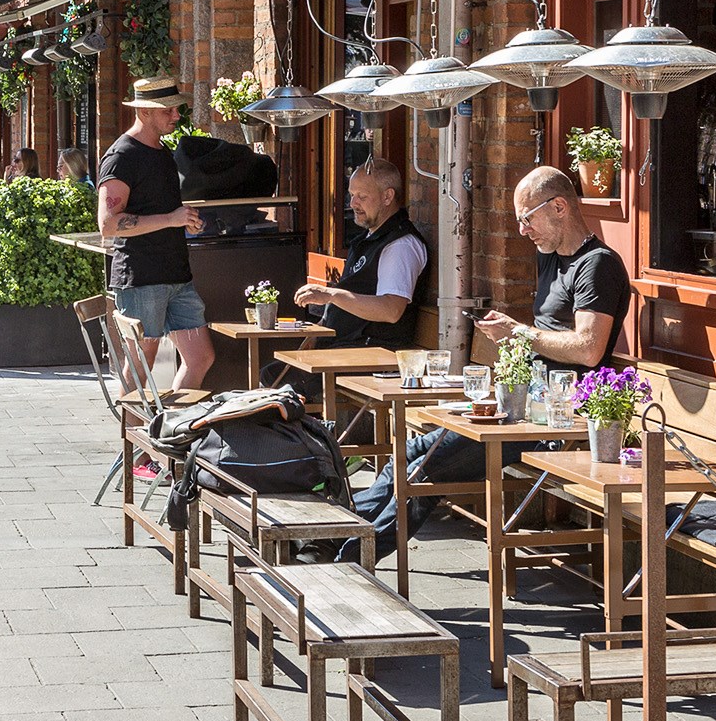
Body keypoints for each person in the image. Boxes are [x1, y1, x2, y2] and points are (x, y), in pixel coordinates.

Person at [343, 165, 634, 563]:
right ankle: (340, 528)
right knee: (409, 453)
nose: (522, 230)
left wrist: (518, 332)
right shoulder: (549, 257)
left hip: (555, 419)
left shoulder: (598, 265)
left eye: (526, 218)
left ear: (560, 207)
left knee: (427, 469)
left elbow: (588, 349)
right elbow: (547, 336)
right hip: (520, 405)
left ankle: (350, 556)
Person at [267, 158, 428, 407]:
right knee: (274, 374)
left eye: (362, 196)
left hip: (376, 355)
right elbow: (355, 291)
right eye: (352, 195)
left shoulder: (400, 246)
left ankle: (309, 444)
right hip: (347, 347)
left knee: (283, 388)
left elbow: (391, 310)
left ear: (387, 197)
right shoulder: (370, 239)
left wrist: (330, 295)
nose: (353, 203)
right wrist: (320, 327)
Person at [98, 77, 213, 408]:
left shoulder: (163, 152)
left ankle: (170, 433)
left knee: (200, 357)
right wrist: (171, 219)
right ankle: (136, 453)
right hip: (141, 278)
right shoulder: (122, 155)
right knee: (139, 367)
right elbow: (107, 224)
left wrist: (184, 220)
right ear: (146, 111)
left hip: (177, 275)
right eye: (169, 110)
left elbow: (161, 211)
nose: (176, 115)